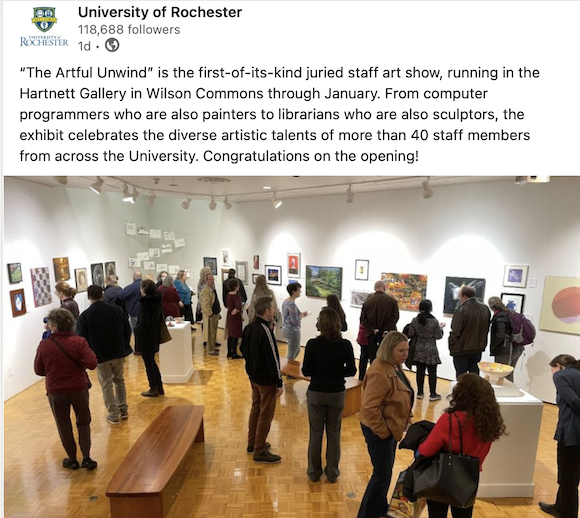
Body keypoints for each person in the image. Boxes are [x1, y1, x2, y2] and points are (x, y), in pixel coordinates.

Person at [418, 373, 507, 518]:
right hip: (469, 477)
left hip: (442, 477)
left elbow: (426, 450)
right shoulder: (489, 422)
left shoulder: (450, 419)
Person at [33, 308, 98, 470]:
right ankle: (87, 458)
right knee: (83, 423)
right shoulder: (79, 342)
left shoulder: (44, 345)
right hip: (79, 388)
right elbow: (92, 363)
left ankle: (72, 459)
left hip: (56, 391)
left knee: (63, 425)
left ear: (53, 325)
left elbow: (39, 370)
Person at [357, 331, 413, 518]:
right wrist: (383, 433)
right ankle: (366, 514)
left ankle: (380, 508)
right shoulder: (380, 372)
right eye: (401, 350)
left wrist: (406, 414)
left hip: (389, 430)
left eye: (406, 349)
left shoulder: (394, 366)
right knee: (381, 475)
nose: (405, 354)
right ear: (390, 350)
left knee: (385, 473)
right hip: (379, 431)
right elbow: (369, 408)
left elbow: (398, 394)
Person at [302, 308, 356, 482]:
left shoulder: (312, 344)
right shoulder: (345, 345)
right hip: (336, 393)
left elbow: (306, 370)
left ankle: (313, 472)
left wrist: (321, 370)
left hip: (316, 392)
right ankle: (332, 472)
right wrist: (337, 370)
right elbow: (352, 371)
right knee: (334, 433)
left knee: (315, 433)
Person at [76, 285, 133, 424]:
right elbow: (127, 330)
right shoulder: (117, 310)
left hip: (100, 356)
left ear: (89, 297)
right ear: (102, 295)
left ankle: (113, 414)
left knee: (106, 384)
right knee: (119, 380)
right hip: (118, 352)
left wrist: (89, 355)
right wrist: (123, 345)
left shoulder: (85, 316)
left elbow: (82, 339)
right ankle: (123, 409)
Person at [240, 297, 284, 463]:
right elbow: (273, 358)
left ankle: (252, 443)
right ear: (266, 311)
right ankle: (259, 450)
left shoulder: (250, 327)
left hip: (254, 377)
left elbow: (243, 349)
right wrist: (279, 382)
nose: (274, 311)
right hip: (266, 381)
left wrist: (252, 368)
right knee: (266, 414)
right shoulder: (265, 330)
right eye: (273, 308)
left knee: (256, 408)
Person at [539, 355, 580, 518]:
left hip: (571, 433)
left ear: (559, 366)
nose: (552, 374)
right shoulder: (577, 374)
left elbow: (573, 401)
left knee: (567, 475)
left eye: (552, 370)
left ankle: (568, 513)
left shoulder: (561, 376)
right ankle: (560, 506)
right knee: (572, 474)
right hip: (574, 433)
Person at [406, 299, 446, 400]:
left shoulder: (415, 320)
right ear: (430, 308)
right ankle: (433, 394)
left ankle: (420, 393)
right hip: (431, 349)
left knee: (420, 371)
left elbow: (410, 333)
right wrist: (440, 328)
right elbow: (438, 336)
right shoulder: (434, 321)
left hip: (419, 349)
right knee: (432, 372)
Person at [448, 285, 491, 378]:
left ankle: (462, 393)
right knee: (474, 376)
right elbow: (487, 328)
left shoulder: (461, 310)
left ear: (464, 296)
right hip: (478, 348)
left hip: (462, 349)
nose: (459, 298)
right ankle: (473, 392)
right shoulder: (485, 308)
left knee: (461, 377)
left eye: (459, 295)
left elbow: (455, 331)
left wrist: (452, 344)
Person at [134, 279, 164, 397]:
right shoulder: (156, 301)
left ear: (144, 289)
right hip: (154, 335)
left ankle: (153, 387)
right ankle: (159, 386)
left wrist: (136, 329)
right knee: (152, 362)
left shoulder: (145, 303)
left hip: (146, 337)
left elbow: (144, 324)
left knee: (149, 363)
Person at [360, 280, 399, 369]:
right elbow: (395, 318)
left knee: (374, 360)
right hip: (387, 335)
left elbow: (363, 320)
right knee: (387, 359)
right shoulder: (392, 301)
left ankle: (374, 378)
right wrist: (385, 330)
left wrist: (373, 329)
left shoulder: (368, 302)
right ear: (384, 287)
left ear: (375, 288)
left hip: (372, 335)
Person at [488, 296, 523, 383]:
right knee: (509, 373)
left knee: (501, 374)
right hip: (518, 347)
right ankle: (511, 394)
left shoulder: (500, 316)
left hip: (505, 349)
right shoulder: (511, 312)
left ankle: (501, 396)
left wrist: (494, 348)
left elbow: (500, 335)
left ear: (491, 307)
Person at [281, 282, 308, 360]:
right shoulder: (291, 304)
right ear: (294, 291)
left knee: (296, 350)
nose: (300, 292)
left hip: (286, 328)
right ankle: (288, 369)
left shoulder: (286, 301)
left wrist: (301, 314)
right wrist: (302, 316)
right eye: (299, 290)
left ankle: (288, 367)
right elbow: (295, 321)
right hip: (292, 330)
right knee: (292, 353)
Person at [201, 272, 221, 356]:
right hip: (211, 315)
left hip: (215, 314)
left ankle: (212, 347)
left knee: (214, 333)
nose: (212, 281)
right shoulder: (206, 290)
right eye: (210, 279)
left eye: (213, 279)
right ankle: (210, 350)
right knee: (210, 333)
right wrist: (209, 314)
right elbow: (205, 304)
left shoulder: (212, 289)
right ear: (206, 281)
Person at [226, 278, 243, 359]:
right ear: (236, 287)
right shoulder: (236, 296)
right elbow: (238, 306)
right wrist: (236, 310)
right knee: (235, 335)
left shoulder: (228, 295)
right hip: (235, 317)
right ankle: (234, 353)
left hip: (229, 316)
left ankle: (229, 352)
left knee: (230, 334)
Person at [197, 266, 212, 343]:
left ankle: (210, 339)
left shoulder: (209, 281)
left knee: (210, 323)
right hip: (204, 304)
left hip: (209, 303)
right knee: (205, 322)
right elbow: (201, 295)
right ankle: (206, 339)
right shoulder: (202, 283)